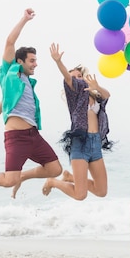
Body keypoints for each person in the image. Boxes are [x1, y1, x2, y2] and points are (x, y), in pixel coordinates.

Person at [0, 8, 63, 200]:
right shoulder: (10, 72)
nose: (35, 64)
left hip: (33, 135)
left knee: (55, 169)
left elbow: (6, 99)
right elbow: (10, 42)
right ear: (19, 61)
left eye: (36, 60)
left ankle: (22, 176)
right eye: (32, 61)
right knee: (9, 181)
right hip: (16, 137)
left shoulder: (28, 84)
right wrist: (24, 19)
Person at [41, 43, 112, 200]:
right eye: (74, 78)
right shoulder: (74, 96)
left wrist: (97, 86)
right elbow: (67, 77)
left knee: (101, 191)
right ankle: (53, 182)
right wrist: (58, 62)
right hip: (80, 143)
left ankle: (69, 177)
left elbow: (107, 95)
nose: (77, 80)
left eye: (80, 76)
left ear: (85, 78)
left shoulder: (94, 96)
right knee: (80, 195)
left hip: (95, 144)